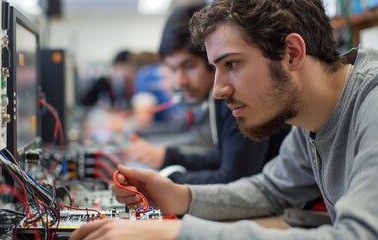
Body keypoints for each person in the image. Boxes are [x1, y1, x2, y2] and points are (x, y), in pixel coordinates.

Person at [69, 0, 378, 239]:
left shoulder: (372, 102)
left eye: (232, 63)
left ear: (292, 53)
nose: (218, 90)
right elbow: (271, 190)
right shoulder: (308, 114)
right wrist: (181, 196)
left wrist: (180, 233)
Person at [118, 2, 290, 184]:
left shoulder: (238, 98)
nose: (180, 81)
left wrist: (165, 179)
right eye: (174, 70)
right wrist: (168, 159)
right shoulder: (218, 99)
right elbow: (222, 155)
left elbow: (234, 178)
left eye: (190, 66)